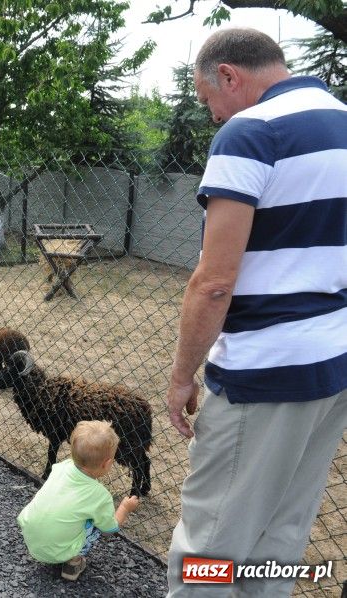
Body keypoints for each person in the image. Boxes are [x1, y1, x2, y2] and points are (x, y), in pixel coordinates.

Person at [164, 28, 347, 597]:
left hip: (262, 371)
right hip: (335, 361)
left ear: (228, 76)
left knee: (211, 539)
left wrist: (180, 376)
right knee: (286, 528)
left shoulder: (251, 133)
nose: (213, 115)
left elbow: (215, 282)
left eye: (206, 100)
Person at [17, 421, 139, 581]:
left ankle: (52, 542)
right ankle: (72, 562)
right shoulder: (100, 496)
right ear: (107, 463)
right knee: (96, 522)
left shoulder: (60, 467)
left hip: (30, 536)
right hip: (55, 551)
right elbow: (109, 531)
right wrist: (124, 508)